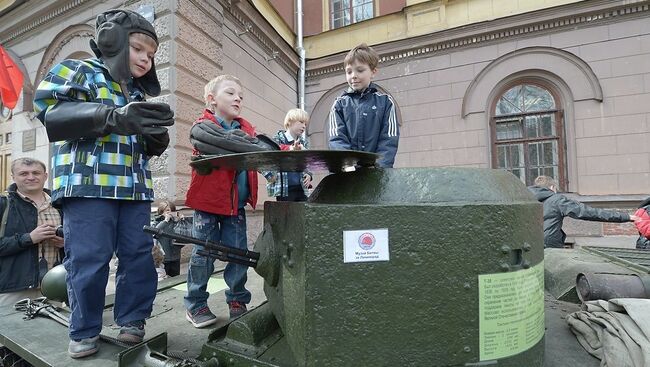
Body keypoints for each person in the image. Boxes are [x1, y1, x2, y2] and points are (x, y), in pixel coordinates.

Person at [33, 9, 174, 358]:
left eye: (152, 55)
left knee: (139, 257)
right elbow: (51, 114)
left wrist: (155, 140)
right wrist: (112, 116)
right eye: (139, 49)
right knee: (89, 259)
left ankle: (132, 320)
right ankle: (83, 330)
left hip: (135, 189)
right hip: (87, 186)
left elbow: (140, 139)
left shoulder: (138, 94)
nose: (145, 59)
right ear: (113, 42)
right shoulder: (79, 70)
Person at [184, 75, 259, 328]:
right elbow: (210, 147)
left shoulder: (247, 130)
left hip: (235, 205)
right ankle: (195, 303)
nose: (237, 98)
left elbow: (262, 149)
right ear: (211, 100)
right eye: (230, 93)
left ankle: (237, 299)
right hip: (208, 204)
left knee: (238, 255)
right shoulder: (203, 128)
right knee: (203, 254)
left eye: (240, 95)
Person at [0, 158, 63, 307]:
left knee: (51, 330)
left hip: (55, 287)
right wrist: (29, 238)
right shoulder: (3, 204)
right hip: (12, 288)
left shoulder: (60, 203)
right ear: (13, 177)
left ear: (45, 176)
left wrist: (66, 244)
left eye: (36, 172)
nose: (31, 177)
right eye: (23, 173)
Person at [327, 43, 400, 168]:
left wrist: (378, 168)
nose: (353, 76)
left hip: (376, 175)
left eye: (360, 70)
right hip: (347, 175)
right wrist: (348, 165)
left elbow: (389, 140)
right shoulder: (339, 104)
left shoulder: (386, 102)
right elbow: (337, 138)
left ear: (373, 72)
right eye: (349, 72)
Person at [527, 176, 639, 248]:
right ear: (552, 187)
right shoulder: (556, 200)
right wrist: (625, 216)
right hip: (549, 248)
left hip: (529, 247)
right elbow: (588, 212)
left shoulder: (526, 200)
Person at [264, 108, 313, 202]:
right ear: (290, 121)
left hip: (301, 187)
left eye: (305, 124)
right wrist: (270, 176)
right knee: (286, 214)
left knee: (302, 213)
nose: (304, 126)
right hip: (284, 189)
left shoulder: (304, 143)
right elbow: (267, 159)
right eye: (301, 122)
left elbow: (309, 162)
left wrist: (309, 174)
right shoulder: (277, 140)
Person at [153, 200, 185, 277]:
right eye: (167, 210)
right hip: (163, 259)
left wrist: (183, 221)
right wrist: (165, 221)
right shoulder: (157, 222)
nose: (170, 212)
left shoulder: (175, 222)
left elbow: (184, 234)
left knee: (175, 279)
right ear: (162, 211)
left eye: (172, 210)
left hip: (175, 257)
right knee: (163, 280)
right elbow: (154, 232)